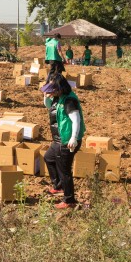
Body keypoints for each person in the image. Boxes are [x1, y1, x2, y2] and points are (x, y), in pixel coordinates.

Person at [43, 76, 84, 209]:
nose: (51, 92)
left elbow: (76, 120)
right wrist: (46, 97)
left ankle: (69, 200)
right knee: (48, 158)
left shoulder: (69, 100)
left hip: (66, 142)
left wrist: (73, 138)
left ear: (60, 88)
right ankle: (59, 186)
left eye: (52, 90)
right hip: (58, 140)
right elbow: (50, 106)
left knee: (64, 171)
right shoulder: (58, 97)